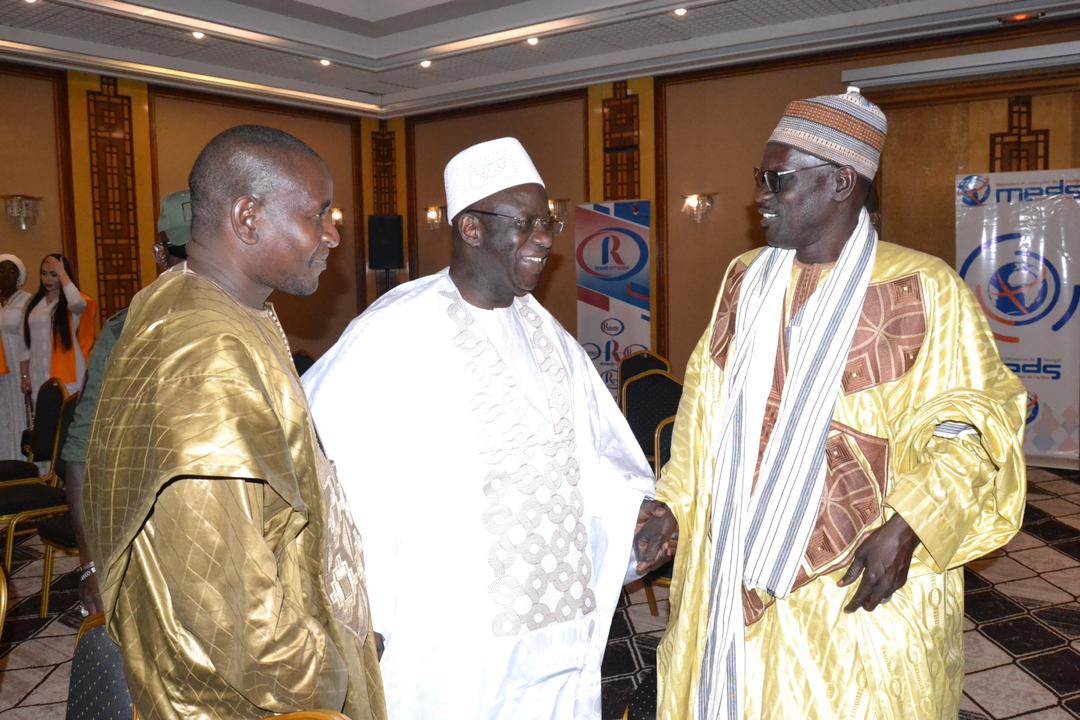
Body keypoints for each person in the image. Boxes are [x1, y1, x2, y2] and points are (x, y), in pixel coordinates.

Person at [654, 88, 1026, 719]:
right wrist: (672, 503)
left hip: (857, 573)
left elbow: (972, 430)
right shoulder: (745, 279)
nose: (760, 195)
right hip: (731, 555)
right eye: (760, 177)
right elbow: (703, 412)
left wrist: (908, 527)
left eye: (777, 178)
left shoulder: (923, 285)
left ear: (840, 182)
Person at [304, 136, 677, 719]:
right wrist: (360, 612)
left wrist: (638, 512)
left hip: (556, 622)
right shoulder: (394, 333)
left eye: (547, 221)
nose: (546, 239)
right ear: (470, 229)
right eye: (525, 223)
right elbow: (326, 473)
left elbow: (591, 455)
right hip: (453, 637)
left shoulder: (548, 335)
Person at [84, 125, 385, 720]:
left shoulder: (188, 300)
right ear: (247, 217)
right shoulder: (207, 355)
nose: (332, 234)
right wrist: (334, 672)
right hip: (238, 698)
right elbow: (227, 605)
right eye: (319, 213)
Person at [63, 189, 191, 618]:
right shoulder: (124, 333)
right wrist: (90, 564)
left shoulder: (250, 321)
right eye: (182, 257)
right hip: (150, 540)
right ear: (160, 253)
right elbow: (80, 453)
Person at [19, 253, 97, 404]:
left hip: (66, 372)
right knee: (43, 421)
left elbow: (78, 304)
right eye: (44, 273)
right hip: (37, 372)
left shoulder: (71, 301)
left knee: (64, 419)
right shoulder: (33, 303)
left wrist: (62, 273)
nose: (47, 278)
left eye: (53, 274)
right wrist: (24, 376)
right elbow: (24, 344)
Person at [0, 254, 31, 459]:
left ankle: (21, 460)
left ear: (19, 276)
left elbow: (29, 339)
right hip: (1, 366)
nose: (7, 275)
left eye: (13, 271)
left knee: (19, 409)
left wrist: (25, 374)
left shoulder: (28, 301)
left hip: (19, 365)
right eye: (2, 270)